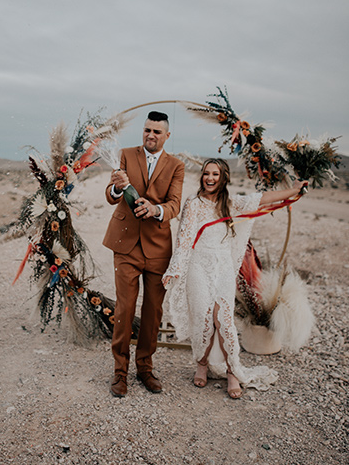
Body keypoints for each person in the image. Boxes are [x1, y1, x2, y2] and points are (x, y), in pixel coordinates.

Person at [163, 158, 307, 399]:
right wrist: (175, 268)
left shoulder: (231, 203)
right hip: (198, 266)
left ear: (223, 178)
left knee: (223, 320)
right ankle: (202, 364)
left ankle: (232, 371)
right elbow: (184, 239)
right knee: (203, 318)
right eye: (206, 174)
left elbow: (261, 199)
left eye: (215, 174)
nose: (209, 178)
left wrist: (293, 191)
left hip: (222, 268)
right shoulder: (193, 203)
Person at [103, 111, 185, 397]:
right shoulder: (125, 154)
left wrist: (155, 209)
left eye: (157, 132)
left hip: (158, 248)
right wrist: (115, 186)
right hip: (125, 244)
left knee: (153, 312)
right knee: (124, 310)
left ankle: (145, 369)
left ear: (167, 136)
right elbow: (111, 194)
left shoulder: (176, 166)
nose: (151, 135)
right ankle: (119, 373)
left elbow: (174, 204)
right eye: (147, 130)